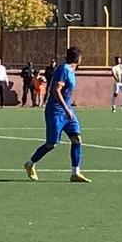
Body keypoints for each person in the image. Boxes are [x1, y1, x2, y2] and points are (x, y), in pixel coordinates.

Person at [24, 47, 90, 183]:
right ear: (78, 59)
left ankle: (75, 173)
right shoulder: (64, 69)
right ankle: (30, 164)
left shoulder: (71, 71)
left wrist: (68, 108)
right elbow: (56, 90)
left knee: (76, 139)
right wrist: (66, 109)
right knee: (52, 143)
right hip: (55, 111)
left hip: (67, 110)